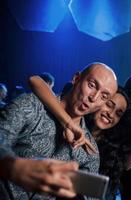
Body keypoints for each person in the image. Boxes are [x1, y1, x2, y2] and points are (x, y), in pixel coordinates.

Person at [0, 62, 118, 199]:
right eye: (91, 85)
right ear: (76, 78)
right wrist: (15, 168)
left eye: (104, 96)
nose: (94, 98)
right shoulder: (32, 105)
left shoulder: (90, 150)